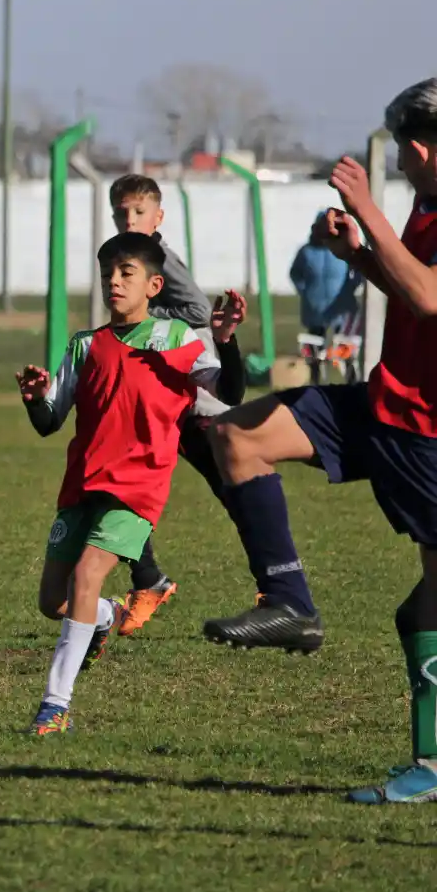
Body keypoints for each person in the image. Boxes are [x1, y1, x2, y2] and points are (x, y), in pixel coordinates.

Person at [204, 78, 437, 804]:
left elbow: (430, 297)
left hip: (428, 435)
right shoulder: (425, 207)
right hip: (381, 407)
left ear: (425, 145)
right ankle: (290, 602)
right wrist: (361, 254)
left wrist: (364, 207)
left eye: (403, 146)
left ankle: (430, 767)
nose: (399, 160)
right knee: (236, 435)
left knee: (428, 610)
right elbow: (415, 291)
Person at [17, 232, 244, 735]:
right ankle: (104, 618)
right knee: (53, 601)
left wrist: (225, 343)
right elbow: (49, 422)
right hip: (82, 485)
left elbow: (229, 390)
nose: (114, 282)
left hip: (138, 488)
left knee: (86, 574)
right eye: (107, 274)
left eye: (126, 273)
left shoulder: (178, 339)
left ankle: (55, 703)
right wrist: (36, 398)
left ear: (154, 284)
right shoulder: (85, 344)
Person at [107, 175, 249, 634]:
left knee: (235, 492)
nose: (130, 220)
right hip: (158, 396)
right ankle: (147, 579)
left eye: (139, 213)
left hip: (195, 395)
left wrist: (142, 317)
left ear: (158, 217)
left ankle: (277, 583)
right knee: (120, 484)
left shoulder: (160, 258)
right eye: (122, 213)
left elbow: (196, 311)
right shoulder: (123, 259)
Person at [290, 210, 362, 383]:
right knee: (315, 350)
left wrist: (351, 287)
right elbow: (295, 273)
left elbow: (359, 270)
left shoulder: (344, 249)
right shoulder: (306, 252)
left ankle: (352, 382)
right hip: (315, 311)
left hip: (341, 310)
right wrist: (305, 292)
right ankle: (316, 381)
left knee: (345, 348)